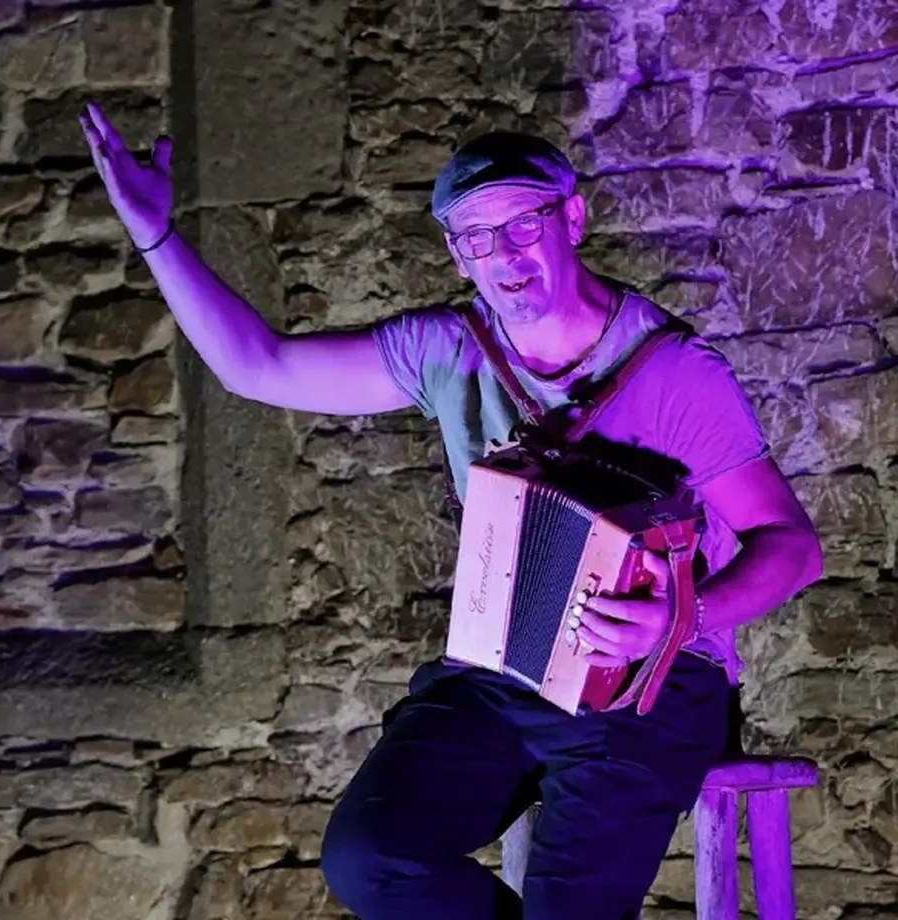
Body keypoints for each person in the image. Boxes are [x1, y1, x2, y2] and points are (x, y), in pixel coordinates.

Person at [78, 101, 824, 920]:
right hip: (500, 674)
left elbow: (792, 546)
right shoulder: (448, 349)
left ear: (572, 219)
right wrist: (155, 234)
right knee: (370, 858)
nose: (504, 255)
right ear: (456, 255)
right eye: (476, 237)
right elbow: (259, 367)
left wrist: (679, 618)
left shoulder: (674, 371)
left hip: (652, 681)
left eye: (524, 225)